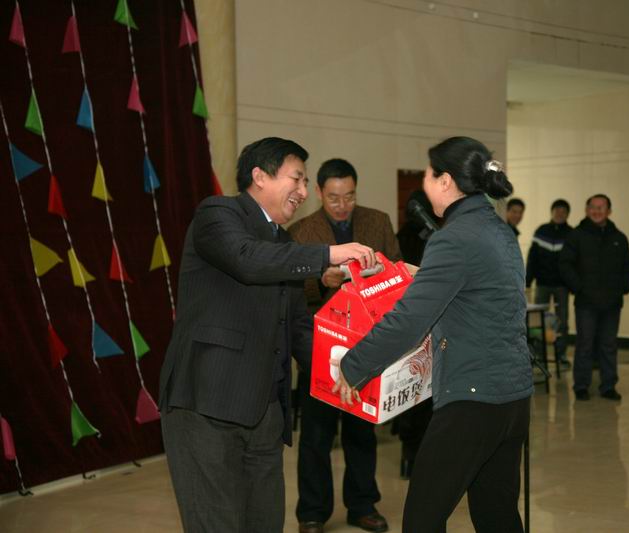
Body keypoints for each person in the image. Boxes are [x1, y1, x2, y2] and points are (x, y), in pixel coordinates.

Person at [158, 137, 377, 533]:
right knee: (216, 523)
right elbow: (247, 259)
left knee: (265, 521)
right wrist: (329, 254)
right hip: (207, 402)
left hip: (264, 413)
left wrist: (345, 371)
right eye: (297, 178)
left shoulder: (284, 243)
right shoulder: (218, 214)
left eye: (305, 182)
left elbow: (298, 326)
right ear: (259, 176)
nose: (303, 191)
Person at [335, 136, 533, 533]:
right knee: (496, 516)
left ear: (445, 181)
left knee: (422, 519)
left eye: (427, 174)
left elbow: (408, 322)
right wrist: (418, 274)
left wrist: (352, 366)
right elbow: (478, 290)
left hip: (472, 399)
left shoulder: (453, 238)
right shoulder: (497, 230)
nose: (423, 183)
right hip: (512, 398)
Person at [288, 158, 400, 533]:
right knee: (316, 435)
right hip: (319, 346)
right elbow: (291, 292)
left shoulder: (377, 221)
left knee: (361, 431)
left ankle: (363, 504)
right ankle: (312, 512)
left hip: (367, 342)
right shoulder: (301, 231)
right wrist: (322, 280)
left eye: (349, 196)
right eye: (334, 198)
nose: (342, 205)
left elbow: (396, 270)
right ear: (319, 193)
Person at [559, 194, 629, 402]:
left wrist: (624, 287)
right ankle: (581, 386)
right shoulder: (576, 235)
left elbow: (628, 265)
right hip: (586, 302)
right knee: (584, 344)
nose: (596, 211)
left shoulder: (619, 238)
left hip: (612, 302)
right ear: (586, 210)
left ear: (609, 211)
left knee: (609, 345)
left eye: (601, 207)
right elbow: (565, 264)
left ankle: (608, 386)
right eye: (593, 207)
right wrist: (579, 287)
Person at [392, 189, 437, 480]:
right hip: (412, 323)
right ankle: (411, 455)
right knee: (414, 394)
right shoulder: (406, 237)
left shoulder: (441, 234)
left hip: (435, 323)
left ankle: (423, 456)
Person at [526, 198, 573, 369]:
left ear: (567, 214)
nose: (559, 214)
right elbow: (532, 258)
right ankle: (537, 356)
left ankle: (561, 356)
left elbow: (575, 261)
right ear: (552, 212)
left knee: (562, 322)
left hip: (562, 286)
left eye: (563, 211)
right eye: (557, 210)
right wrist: (528, 281)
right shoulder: (541, 231)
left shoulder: (572, 234)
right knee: (537, 321)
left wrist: (574, 284)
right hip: (542, 285)